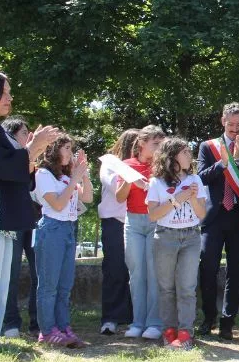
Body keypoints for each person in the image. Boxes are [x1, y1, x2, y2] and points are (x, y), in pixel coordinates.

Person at [0, 73, 58, 339]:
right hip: (2, 213)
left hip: (7, 217)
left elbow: (18, 170)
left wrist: (32, 153)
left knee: (3, 278)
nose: (10, 98)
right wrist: (32, 148)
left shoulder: (1, 132)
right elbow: (5, 167)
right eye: (5, 92)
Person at [196, 102, 239, 340]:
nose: (235, 129)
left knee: (235, 272)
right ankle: (208, 318)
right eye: (231, 124)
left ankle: (228, 322)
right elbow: (201, 177)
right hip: (214, 218)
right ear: (222, 121)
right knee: (208, 269)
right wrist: (224, 163)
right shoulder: (208, 147)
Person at [34, 133, 93, 346]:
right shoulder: (43, 174)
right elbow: (58, 205)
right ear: (53, 150)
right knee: (49, 285)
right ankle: (47, 331)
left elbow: (88, 197)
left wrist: (83, 175)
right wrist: (75, 179)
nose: (70, 152)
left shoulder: (67, 177)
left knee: (65, 285)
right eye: (66, 148)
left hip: (68, 229)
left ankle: (63, 327)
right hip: (52, 229)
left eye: (71, 148)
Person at [147, 137, 207, 350]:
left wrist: (192, 199)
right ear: (171, 157)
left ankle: (185, 332)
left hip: (191, 236)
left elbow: (201, 214)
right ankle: (169, 331)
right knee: (166, 288)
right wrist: (178, 198)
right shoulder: (156, 182)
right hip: (165, 236)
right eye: (185, 152)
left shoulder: (195, 180)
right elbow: (153, 215)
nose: (190, 155)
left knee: (187, 288)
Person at [116, 125, 165, 340]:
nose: (159, 148)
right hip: (133, 223)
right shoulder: (127, 165)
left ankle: (154, 323)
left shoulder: (162, 166)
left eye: (161, 144)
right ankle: (137, 322)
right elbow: (119, 197)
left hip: (156, 221)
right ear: (142, 143)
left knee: (154, 273)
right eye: (156, 143)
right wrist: (130, 181)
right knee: (136, 273)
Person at [1, 116, 42, 338]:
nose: (29, 137)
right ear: (11, 136)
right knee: (11, 272)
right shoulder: (8, 157)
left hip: (32, 220)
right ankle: (10, 323)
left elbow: (32, 186)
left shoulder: (28, 158)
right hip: (12, 221)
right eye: (24, 133)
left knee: (38, 271)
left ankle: (37, 323)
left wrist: (33, 154)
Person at [97, 129, 138, 335]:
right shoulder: (109, 163)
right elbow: (116, 188)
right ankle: (110, 318)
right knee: (115, 270)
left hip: (137, 221)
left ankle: (133, 317)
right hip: (114, 222)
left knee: (136, 271)